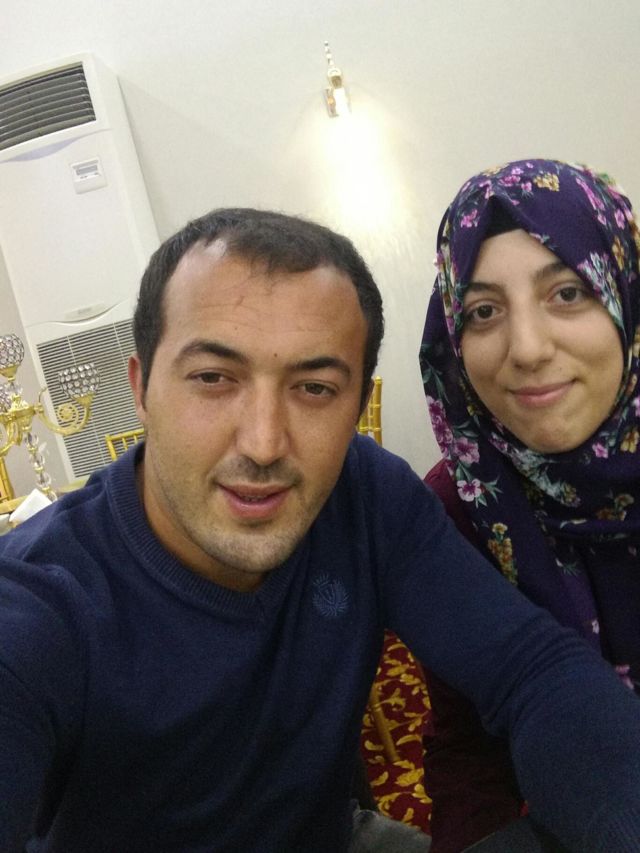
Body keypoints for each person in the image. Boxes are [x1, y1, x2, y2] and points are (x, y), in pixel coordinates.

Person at [1, 209, 640, 853]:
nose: (263, 443)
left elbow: (531, 668)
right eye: (213, 379)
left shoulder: (365, 494)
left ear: (357, 407)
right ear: (142, 389)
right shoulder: (41, 597)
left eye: (314, 388)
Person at [419, 158, 640, 852]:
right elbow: (467, 746)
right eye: (483, 311)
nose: (528, 349)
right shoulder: (458, 503)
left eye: (567, 293)